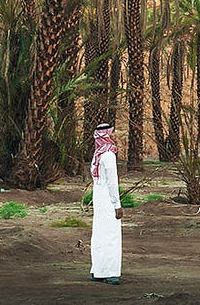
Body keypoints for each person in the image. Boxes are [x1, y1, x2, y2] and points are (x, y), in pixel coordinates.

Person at [89, 122, 122, 284]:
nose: (114, 135)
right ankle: (110, 272)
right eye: (113, 133)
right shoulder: (108, 155)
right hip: (108, 200)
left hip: (99, 199)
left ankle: (98, 270)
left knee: (100, 234)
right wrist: (117, 204)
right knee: (111, 236)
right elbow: (112, 182)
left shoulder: (98, 154)